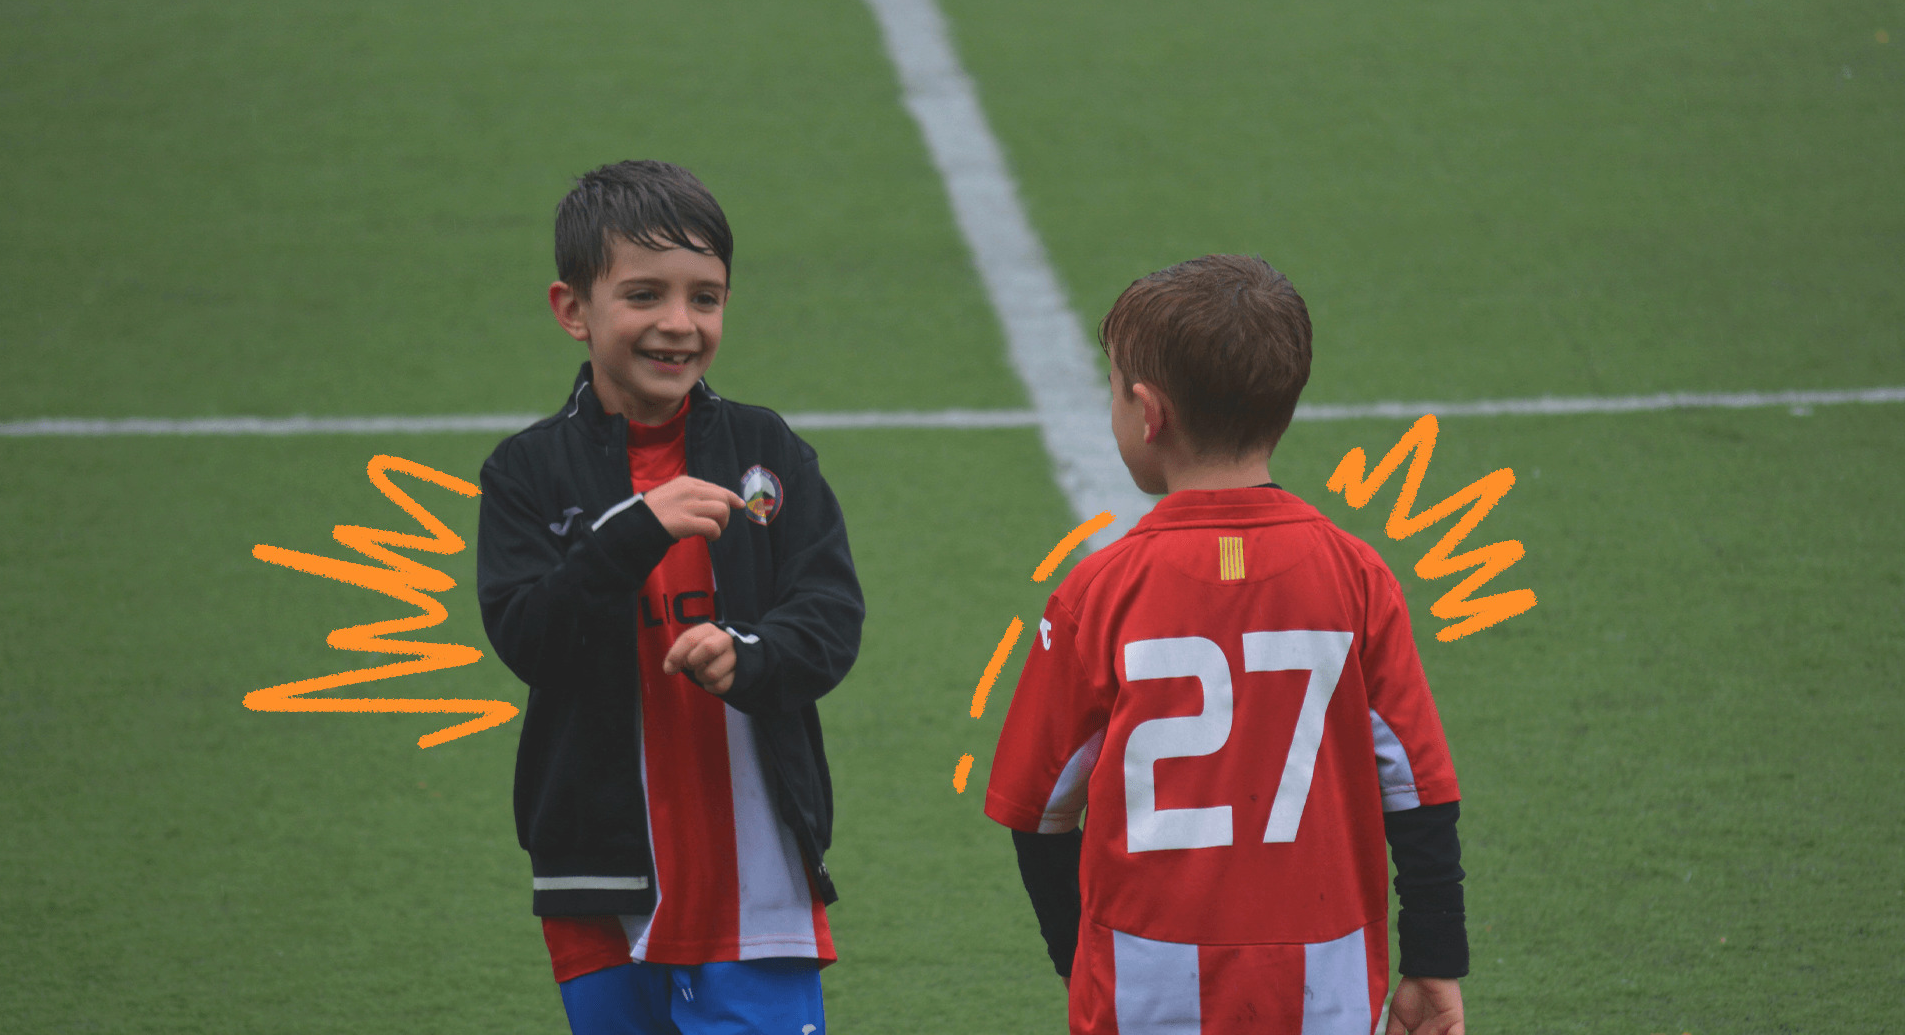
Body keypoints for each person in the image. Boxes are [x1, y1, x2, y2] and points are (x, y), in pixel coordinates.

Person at [984, 255, 1469, 1035]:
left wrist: (1079, 960)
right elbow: (1418, 793)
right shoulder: (1356, 576)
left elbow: (1039, 811)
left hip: (1147, 982)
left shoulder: (1098, 593)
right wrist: (1435, 959)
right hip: (1327, 982)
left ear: (1148, 412)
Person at [476, 160, 865, 1035]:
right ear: (573, 309)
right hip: (599, 879)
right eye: (645, 295)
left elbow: (830, 614)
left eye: (706, 298)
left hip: (755, 877)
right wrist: (631, 532)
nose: (679, 325)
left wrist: (752, 656)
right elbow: (527, 635)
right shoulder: (526, 473)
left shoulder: (768, 450)